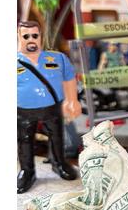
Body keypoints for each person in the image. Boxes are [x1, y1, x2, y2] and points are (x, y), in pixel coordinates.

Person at [17, 20, 82, 193]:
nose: (31, 39)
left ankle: (59, 163)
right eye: (26, 36)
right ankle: (27, 171)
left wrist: (72, 100)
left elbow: (69, 78)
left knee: (56, 135)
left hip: (52, 107)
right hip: (23, 110)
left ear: (41, 37)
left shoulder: (58, 58)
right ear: (19, 37)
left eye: (34, 35)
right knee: (24, 140)